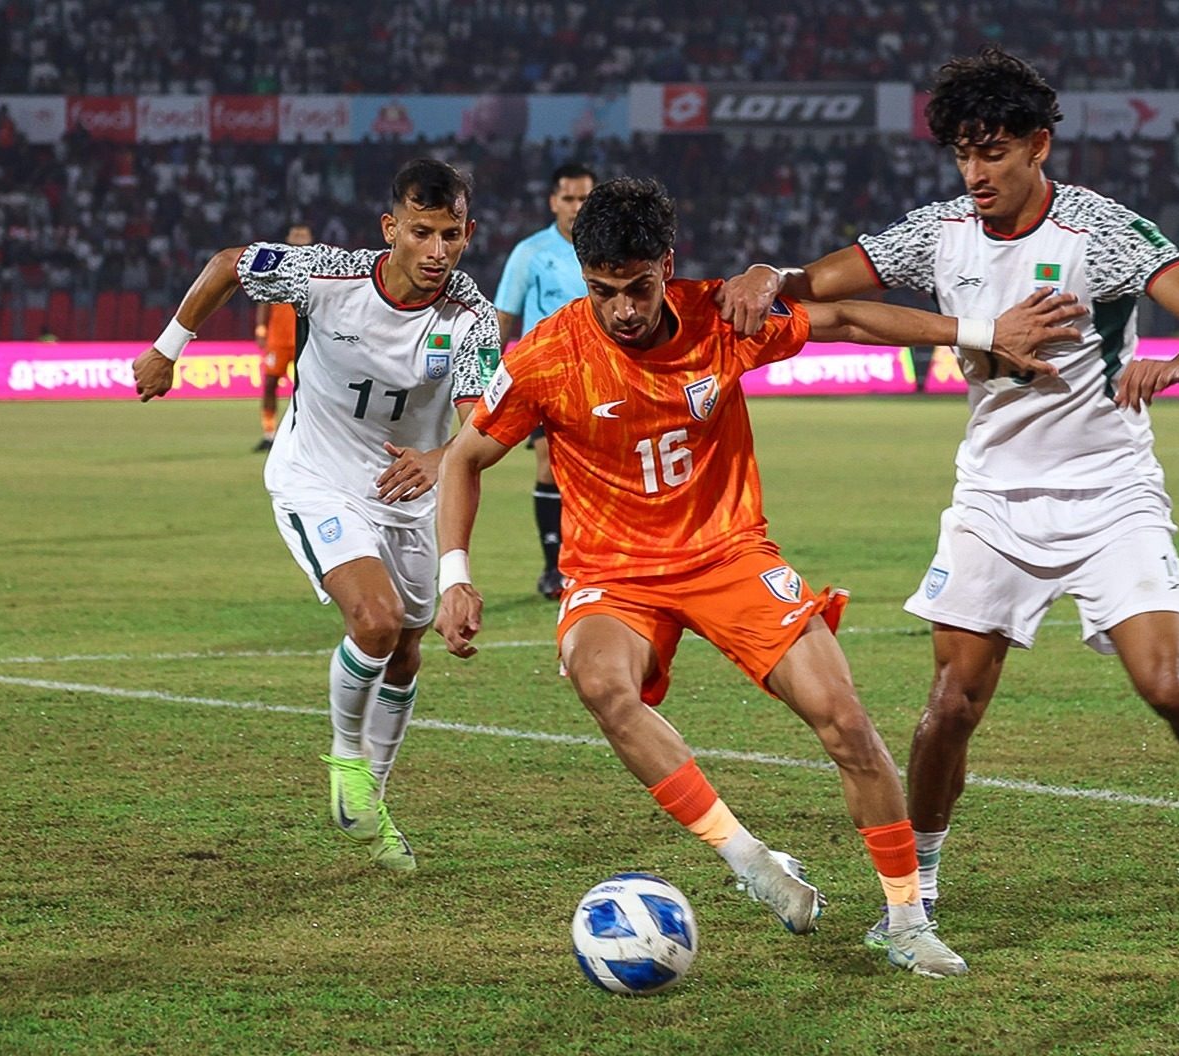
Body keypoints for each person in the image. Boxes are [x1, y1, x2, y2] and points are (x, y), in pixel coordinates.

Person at [718, 48, 1179, 952]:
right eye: (963, 152)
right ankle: (917, 888)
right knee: (950, 706)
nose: (975, 171)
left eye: (993, 151)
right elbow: (821, 282)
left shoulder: (1099, 231)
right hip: (994, 499)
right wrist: (772, 273)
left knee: (1167, 684)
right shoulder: (939, 232)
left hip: (1111, 492)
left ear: (1038, 146)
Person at [434, 177, 1085, 978]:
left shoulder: (721, 319)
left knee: (844, 719)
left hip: (730, 555)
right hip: (615, 573)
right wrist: (456, 574)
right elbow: (464, 458)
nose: (623, 310)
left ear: (667, 266)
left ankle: (906, 921)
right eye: (603, 291)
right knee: (603, 684)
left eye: (638, 288)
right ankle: (750, 861)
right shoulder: (547, 356)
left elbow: (846, 318)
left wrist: (981, 331)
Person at [133, 158, 498, 873]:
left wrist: (441, 457)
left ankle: (372, 796)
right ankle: (345, 759)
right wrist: (168, 348)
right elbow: (230, 264)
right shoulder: (325, 275)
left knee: (407, 648)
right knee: (375, 620)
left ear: (468, 233)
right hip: (319, 478)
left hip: (406, 495)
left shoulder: (469, 317)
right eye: (420, 232)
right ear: (390, 228)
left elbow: (479, 424)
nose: (436, 251)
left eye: (450, 235)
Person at [494, 163, 596, 600]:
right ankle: (553, 567)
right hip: (546, 377)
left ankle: (597, 561)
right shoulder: (530, 253)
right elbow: (503, 318)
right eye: (569, 198)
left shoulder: (609, 250)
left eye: (584, 198)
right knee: (550, 464)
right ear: (554, 201)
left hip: (604, 378)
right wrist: (488, 376)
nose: (576, 207)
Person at [253, 222, 314, 452]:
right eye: (295, 234)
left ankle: (303, 435)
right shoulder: (275, 265)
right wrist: (261, 328)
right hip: (278, 339)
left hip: (305, 338)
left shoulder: (317, 265)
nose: (299, 238)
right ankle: (269, 434)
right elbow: (264, 299)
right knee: (270, 384)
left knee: (307, 388)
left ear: (310, 238)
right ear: (287, 238)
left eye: (303, 234)